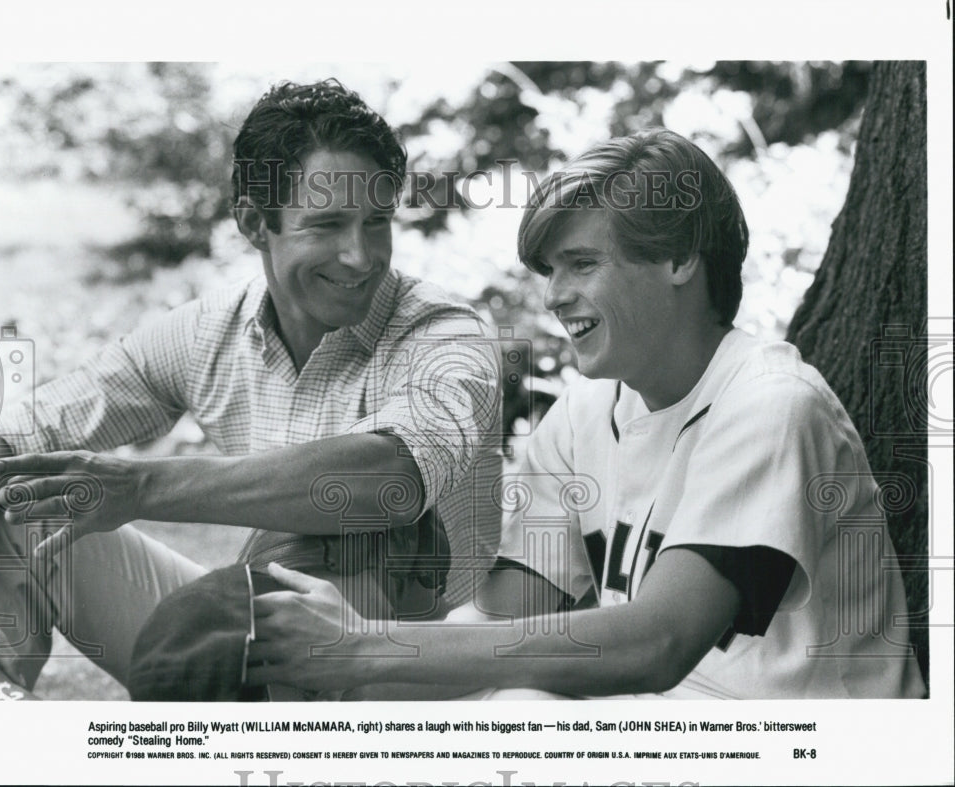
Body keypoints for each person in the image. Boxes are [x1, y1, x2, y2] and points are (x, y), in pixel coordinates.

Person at [244, 129, 927, 699]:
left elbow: (659, 642)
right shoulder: (584, 411)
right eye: (549, 271)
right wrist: (363, 604)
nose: (554, 296)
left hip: (809, 751)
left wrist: (364, 650)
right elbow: (502, 619)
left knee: (518, 707)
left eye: (579, 264)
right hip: (655, 736)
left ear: (680, 257)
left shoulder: (773, 404)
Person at [0, 79, 503, 698]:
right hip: (259, 625)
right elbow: (10, 435)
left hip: (418, 667)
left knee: (362, 529)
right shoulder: (208, 332)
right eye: (328, 225)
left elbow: (390, 482)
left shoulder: (444, 333)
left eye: (377, 222)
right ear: (256, 222)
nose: (360, 255)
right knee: (27, 495)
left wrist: (142, 486)